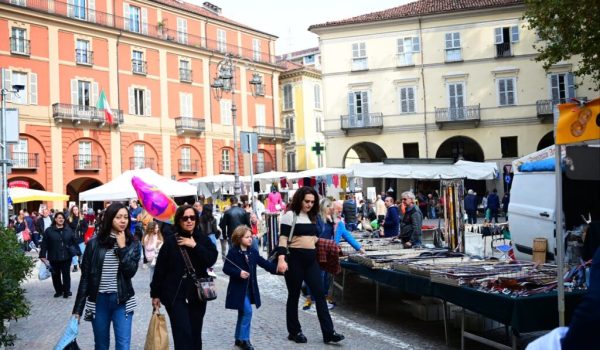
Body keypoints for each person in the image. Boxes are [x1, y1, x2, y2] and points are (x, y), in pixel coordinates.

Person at [275, 186, 345, 344]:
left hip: (311, 260)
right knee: (293, 295)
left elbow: (313, 237)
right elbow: (283, 239)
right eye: (307, 201)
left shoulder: (312, 216)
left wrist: (325, 244)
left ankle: (329, 332)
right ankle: (294, 331)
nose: (309, 204)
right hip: (294, 260)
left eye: (312, 202)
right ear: (299, 199)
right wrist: (281, 259)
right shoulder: (289, 215)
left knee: (320, 294)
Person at [72, 202, 140, 350]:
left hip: (122, 300)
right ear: (109, 219)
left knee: (123, 346)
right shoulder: (94, 244)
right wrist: (77, 310)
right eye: (118, 217)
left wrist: (122, 248)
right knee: (101, 345)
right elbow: (85, 278)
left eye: (125, 217)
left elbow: (130, 272)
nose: (123, 221)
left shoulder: (132, 243)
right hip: (98, 301)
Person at [151, 204, 218, 350]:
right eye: (185, 218)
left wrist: (194, 245)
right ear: (179, 221)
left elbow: (211, 259)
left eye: (192, 217)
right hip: (175, 295)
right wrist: (155, 294)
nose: (189, 221)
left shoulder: (203, 239)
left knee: (195, 333)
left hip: (197, 295)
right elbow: (160, 269)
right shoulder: (170, 241)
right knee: (182, 333)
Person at [303, 199, 365, 310]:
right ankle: (314, 300)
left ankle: (321, 299)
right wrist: (324, 222)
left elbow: (347, 235)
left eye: (340, 211)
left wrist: (360, 248)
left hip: (329, 253)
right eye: (335, 209)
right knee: (317, 276)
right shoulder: (317, 219)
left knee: (325, 277)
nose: (337, 212)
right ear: (325, 208)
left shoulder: (338, 223)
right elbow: (315, 235)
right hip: (316, 252)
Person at [223, 225, 277, 350]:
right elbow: (226, 268)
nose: (250, 239)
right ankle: (245, 340)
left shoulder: (253, 252)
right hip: (238, 290)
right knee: (247, 312)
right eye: (247, 237)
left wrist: (278, 269)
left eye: (251, 236)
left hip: (250, 289)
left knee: (243, 313)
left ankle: (238, 338)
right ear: (239, 238)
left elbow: (265, 264)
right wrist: (239, 273)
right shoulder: (233, 252)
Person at [40, 212, 79, 298]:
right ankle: (58, 291)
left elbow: (74, 241)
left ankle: (66, 291)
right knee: (55, 275)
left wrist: (77, 252)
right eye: (59, 218)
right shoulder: (49, 231)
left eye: (62, 218)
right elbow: (44, 244)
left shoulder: (68, 230)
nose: (61, 219)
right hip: (53, 256)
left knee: (66, 275)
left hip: (66, 256)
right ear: (55, 219)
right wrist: (42, 255)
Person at [219, 196, 251, 261]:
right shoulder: (243, 211)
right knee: (242, 249)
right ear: (237, 201)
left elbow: (223, 225)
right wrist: (249, 234)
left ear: (230, 202)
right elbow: (248, 224)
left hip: (232, 234)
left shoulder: (227, 212)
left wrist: (224, 235)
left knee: (232, 250)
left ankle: (235, 263)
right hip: (242, 233)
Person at [198, 203, 220, 277]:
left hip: (202, 237)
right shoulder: (213, 219)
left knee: (202, 254)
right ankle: (210, 270)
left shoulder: (198, 219)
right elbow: (215, 230)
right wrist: (218, 234)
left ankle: (203, 269)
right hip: (211, 237)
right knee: (212, 254)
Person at [68, 206, 88, 272]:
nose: (75, 211)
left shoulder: (82, 218)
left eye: (76, 209)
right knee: (73, 253)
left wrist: (82, 232)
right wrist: (70, 233)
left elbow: (86, 226)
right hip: (72, 238)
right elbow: (67, 228)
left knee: (82, 252)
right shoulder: (69, 219)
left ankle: (81, 262)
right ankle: (75, 266)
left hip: (80, 238)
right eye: (74, 210)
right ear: (72, 211)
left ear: (78, 210)